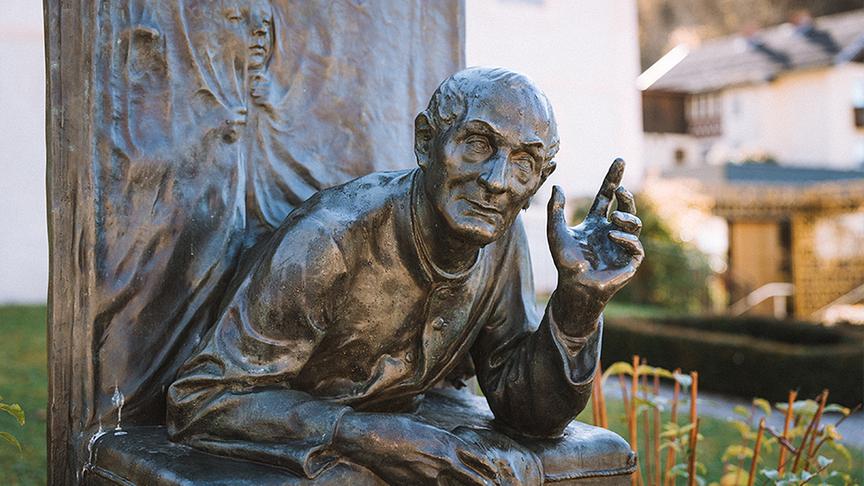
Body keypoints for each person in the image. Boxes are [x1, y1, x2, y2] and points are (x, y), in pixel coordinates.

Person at [167, 67, 644, 485]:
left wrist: (578, 305)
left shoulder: (501, 235)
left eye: (524, 163)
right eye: (478, 145)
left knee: (600, 454)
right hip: (305, 427)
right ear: (425, 142)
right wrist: (366, 436)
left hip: (411, 419)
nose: (497, 180)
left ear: (539, 181)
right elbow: (204, 397)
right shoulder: (329, 237)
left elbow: (527, 414)